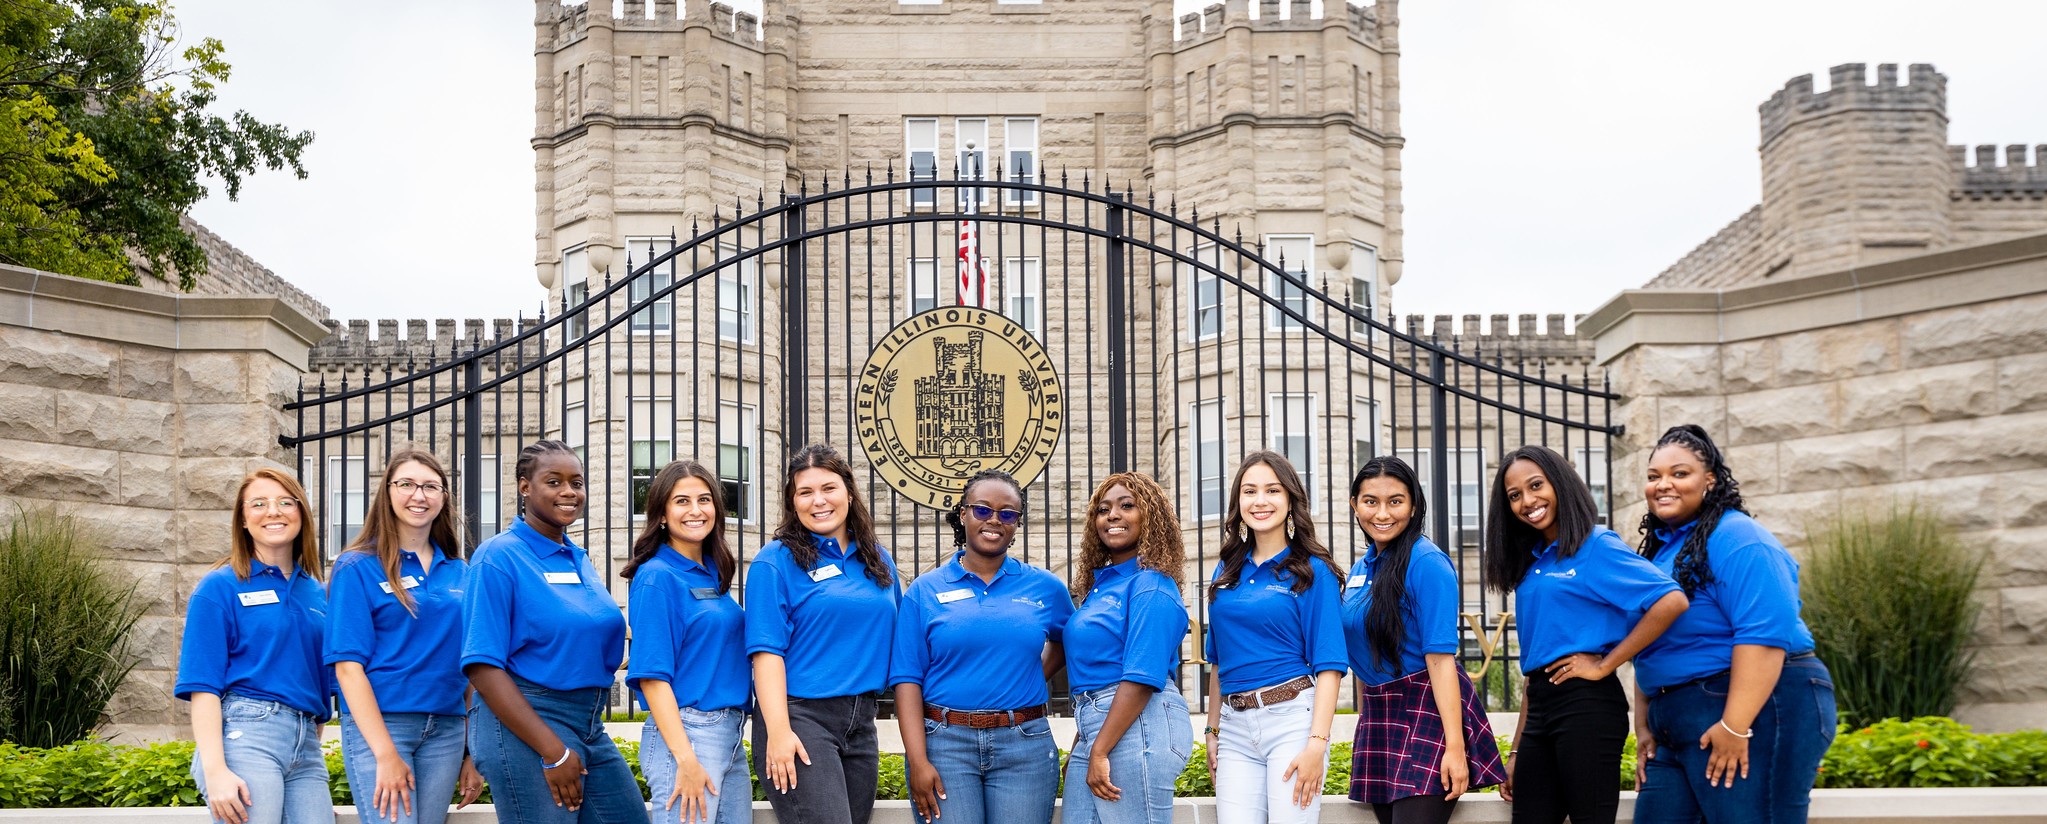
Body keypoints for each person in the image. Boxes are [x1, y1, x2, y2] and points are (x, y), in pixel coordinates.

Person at [1630, 425, 1837, 824]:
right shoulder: (1665, 550)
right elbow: (1650, 641)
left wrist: (1735, 726)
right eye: (1654, 476)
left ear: (1710, 480)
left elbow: (1764, 633)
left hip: (1758, 708)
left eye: (1679, 473)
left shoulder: (1739, 537)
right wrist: (1645, 724)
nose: (1663, 484)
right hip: (1678, 721)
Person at [1483, 444, 1689, 824]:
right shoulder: (1533, 565)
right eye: (1515, 496)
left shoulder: (1596, 545)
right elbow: (1536, 665)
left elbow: (1671, 601)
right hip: (1541, 707)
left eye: (1535, 486)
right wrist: (1515, 753)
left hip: (1587, 705)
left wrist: (1605, 664)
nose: (1528, 501)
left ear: (1559, 484)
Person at [460, 440, 641, 823]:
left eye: (576, 483)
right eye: (554, 482)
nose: (569, 493)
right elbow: (482, 666)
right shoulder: (499, 556)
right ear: (525, 487)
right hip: (528, 720)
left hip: (588, 720)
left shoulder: (576, 557)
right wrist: (553, 751)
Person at [890, 469, 1074, 824]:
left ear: (1017, 523)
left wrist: (1029, 673)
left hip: (1025, 744)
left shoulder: (1046, 588)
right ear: (963, 514)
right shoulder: (924, 591)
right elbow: (907, 679)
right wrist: (917, 760)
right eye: (982, 510)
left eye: (1007, 514)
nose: (994, 520)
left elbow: (1068, 641)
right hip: (945, 745)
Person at [1341, 456, 1505, 824]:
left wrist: (1455, 748)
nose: (1382, 513)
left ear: (1414, 505)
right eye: (1371, 501)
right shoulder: (1362, 567)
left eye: (1395, 501)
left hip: (1426, 707)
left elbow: (1441, 660)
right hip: (1380, 711)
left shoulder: (1427, 562)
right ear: (1354, 505)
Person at [325, 448, 486, 824]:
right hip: (384, 726)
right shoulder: (357, 566)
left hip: (446, 729)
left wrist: (470, 751)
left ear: (443, 498)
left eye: (431, 486)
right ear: (388, 491)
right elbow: (348, 668)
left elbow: (471, 665)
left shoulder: (460, 571)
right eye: (407, 484)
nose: (419, 495)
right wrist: (384, 754)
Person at [746, 444, 901, 824]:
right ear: (792, 501)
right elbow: (766, 653)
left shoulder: (878, 560)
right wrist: (779, 733)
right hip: (801, 719)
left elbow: (900, 638)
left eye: (828, 488)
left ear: (849, 491)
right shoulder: (775, 562)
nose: (819, 501)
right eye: (805, 492)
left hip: (862, 721)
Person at [176, 467, 335, 824]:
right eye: (259, 504)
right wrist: (216, 771)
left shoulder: (316, 592)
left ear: (301, 514)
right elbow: (203, 686)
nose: (273, 511)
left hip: (306, 745)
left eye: (285, 502)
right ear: (243, 520)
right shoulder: (219, 587)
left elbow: (318, 682)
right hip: (247, 734)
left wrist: (310, 734)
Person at [1202, 451, 1347, 824]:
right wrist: (1213, 729)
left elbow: (1330, 664)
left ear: (1290, 500)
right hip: (1234, 729)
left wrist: (1317, 744)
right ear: (1238, 502)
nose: (1260, 501)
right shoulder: (1226, 569)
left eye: (1272, 490)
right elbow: (1219, 660)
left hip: (1292, 722)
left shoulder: (1314, 571)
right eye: (1249, 491)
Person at [624, 460, 752, 824]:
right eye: (682, 501)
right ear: (662, 513)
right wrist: (686, 758)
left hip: (728, 734)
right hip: (688, 736)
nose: (696, 510)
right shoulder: (656, 576)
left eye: (705, 499)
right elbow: (651, 677)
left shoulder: (713, 571)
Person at [1062, 472, 1193, 824]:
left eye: (1127, 506)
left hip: (1142, 723)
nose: (1113, 515)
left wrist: (1099, 748)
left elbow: (1141, 677)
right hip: (1101, 725)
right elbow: (1097, 671)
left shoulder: (1151, 585)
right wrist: (1085, 739)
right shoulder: (1102, 588)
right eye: (1103, 510)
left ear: (1150, 517)